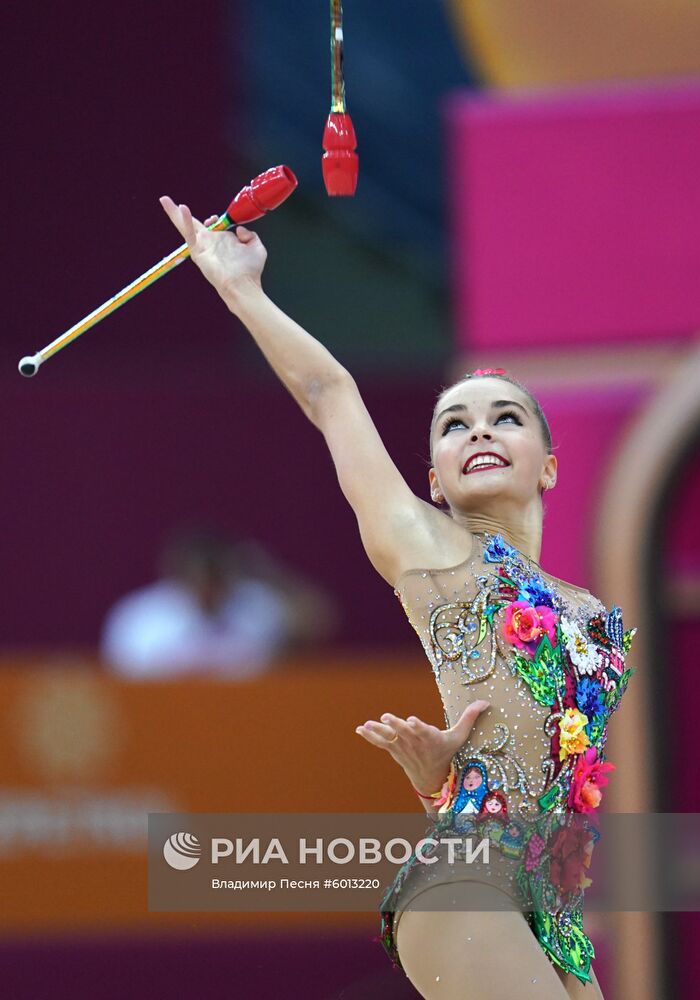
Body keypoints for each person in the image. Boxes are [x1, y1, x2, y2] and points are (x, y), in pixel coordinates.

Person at [158, 196, 636, 998]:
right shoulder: (428, 548)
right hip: (464, 886)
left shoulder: (592, 610)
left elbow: (535, 764)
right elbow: (329, 393)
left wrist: (436, 782)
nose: (477, 432)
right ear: (433, 482)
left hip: (551, 914)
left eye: (505, 418)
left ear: (549, 465)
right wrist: (241, 287)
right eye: (453, 426)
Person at [101, 527, 335, 678]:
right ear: (177, 576)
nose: (207, 591)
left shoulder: (257, 606)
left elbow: (319, 622)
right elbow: (123, 687)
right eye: (198, 581)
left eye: (215, 581)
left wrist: (270, 573)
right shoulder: (140, 619)